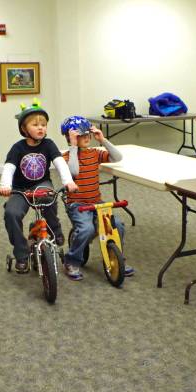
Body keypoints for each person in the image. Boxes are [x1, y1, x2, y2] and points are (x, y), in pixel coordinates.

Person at [0, 100, 78, 273]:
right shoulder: (17, 148)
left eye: (44, 124)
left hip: (41, 184)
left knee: (50, 197)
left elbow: (59, 163)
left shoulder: (48, 144)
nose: (41, 127)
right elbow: (9, 168)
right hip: (20, 189)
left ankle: (55, 230)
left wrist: (68, 182)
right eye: (35, 125)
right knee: (11, 213)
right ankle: (21, 254)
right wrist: (5, 185)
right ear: (24, 129)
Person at [60, 116, 134, 281]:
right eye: (81, 135)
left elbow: (117, 158)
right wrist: (73, 147)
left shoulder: (95, 153)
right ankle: (71, 261)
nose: (86, 137)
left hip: (96, 202)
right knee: (87, 229)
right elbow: (73, 173)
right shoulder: (66, 157)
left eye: (88, 134)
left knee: (118, 226)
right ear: (70, 138)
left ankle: (116, 258)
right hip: (77, 204)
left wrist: (103, 140)